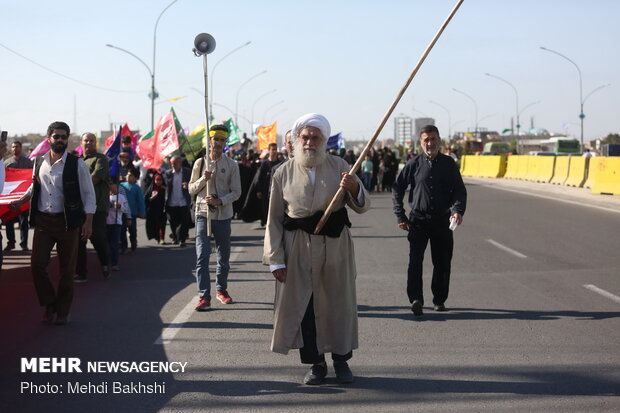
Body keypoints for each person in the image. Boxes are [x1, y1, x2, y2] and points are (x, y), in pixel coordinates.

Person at [263, 113, 370, 385]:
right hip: (298, 247)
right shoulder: (282, 172)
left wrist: (354, 186)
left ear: (324, 141)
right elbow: (274, 218)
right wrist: (276, 259)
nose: (309, 142)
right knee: (306, 307)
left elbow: (362, 205)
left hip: (335, 247)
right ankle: (316, 364)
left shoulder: (339, 166)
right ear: (297, 140)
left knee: (338, 305)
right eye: (305, 137)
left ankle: (341, 361)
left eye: (315, 137)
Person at [10, 121, 96, 325]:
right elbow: (34, 187)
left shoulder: (77, 164)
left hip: (68, 223)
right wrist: (21, 200)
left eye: (63, 137)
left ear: (68, 139)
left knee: (67, 270)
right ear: (49, 139)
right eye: (56, 136)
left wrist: (88, 222)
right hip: (43, 223)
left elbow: (89, 195)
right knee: (37, 265)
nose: (60, 140)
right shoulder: (39, 162)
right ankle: (49, 303)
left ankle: (63, 312)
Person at [391, 125, 467, 317]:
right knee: (415, 261)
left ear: (439, 140)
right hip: (418, 221)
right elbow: (397, 188)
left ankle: (439, 300)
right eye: (426, 140)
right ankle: (416, 299)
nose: (430, 143)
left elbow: (459, 190)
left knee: (442, 263)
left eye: (433, 139)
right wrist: (400, 215)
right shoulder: (414, 164)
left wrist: (457, 211)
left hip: (442, 221)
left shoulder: (449, 164)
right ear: (421, 142)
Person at [190, 124, 241, 310]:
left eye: (222, 140)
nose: (218, 143)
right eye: (215, 139)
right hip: (203, 214)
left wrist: (220, 200)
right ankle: (204, 296)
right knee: (202, 255)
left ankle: (222, 289)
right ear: (209, 140)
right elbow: (191, 189)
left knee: (223, 257)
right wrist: (204, 179)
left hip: (223, 215)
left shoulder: (232, 165)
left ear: (225, 142)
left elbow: (237, 192)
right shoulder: (200, 163)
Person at [74, 132, 111, 282]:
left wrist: (73, 185)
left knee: (97, 237)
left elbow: (94, 179)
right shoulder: (76, 161)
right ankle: (81, 273)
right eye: (86, 141)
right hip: (79, 207)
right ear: (81, 143)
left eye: (91, 141)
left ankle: (105, 262)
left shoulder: (101, 159)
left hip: (98, 207)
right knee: (79, 240)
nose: (88, 143)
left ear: (95, 143)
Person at [4, 141, 32, 251]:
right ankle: (11, 243)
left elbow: (32, 177)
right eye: (13, 147)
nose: (15, 148)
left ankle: (24, 243)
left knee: (23, 222)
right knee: (9, 222)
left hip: (23, 197)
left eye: (17, 146)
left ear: (21, 148)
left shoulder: (28, 162)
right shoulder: (7, 163)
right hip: (10, 197)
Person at [164, 155, 191, 247]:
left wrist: (188, 185)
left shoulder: (187, 172)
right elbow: (164, 185)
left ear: (180, 163)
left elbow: (194, 182)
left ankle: (182, 239)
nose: (173, 165)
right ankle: (175, 237)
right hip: (172, 202)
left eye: (175, 163)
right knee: (173, 221)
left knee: (184, 222)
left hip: (183, 201)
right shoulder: (168, 173)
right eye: (171, 164)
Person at [256, 143, 283, 226]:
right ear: (269, 150)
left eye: (275, 149)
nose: (274, 151)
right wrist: (259, 190)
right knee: (266, 207)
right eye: (272, 149)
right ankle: (266, 221)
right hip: (265, 189)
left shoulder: (280, 163)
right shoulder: (265, 164)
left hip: (276, 190)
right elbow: (260, 178)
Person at [120, 168, 145, 253]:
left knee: (132, 230)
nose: (128, 176)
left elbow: (141, 201)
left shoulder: (137, 188)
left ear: (136, 178)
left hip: (133, 213)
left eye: (130, 175)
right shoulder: (121, 185)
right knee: (122, 230)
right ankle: (124, 246)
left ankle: (133, 242)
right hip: (122, 212)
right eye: (127, 174)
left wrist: (142, 213)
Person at [106, 181, 130, 271]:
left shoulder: (121, 197)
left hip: (117, 223)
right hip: (106, 223)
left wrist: (120, 207)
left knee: (114, 244)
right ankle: (107, 261)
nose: (110, 185)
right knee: (107, 244)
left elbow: (126, 209)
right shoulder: (106, 196)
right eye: (109, 184)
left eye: (112, 184)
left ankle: (114, 263)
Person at [144, 173, 167, 244]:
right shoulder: (151, 189)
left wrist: (166, 191)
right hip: (153, 211)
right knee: (156, 225)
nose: (158, 182)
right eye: (157, 180)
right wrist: (151, 198)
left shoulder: (164, 188)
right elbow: (145, 199)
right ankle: (158, 238)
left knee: (162, 224)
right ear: (154, 180)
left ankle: (162, 238)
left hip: (163, 209)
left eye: (160, 180)